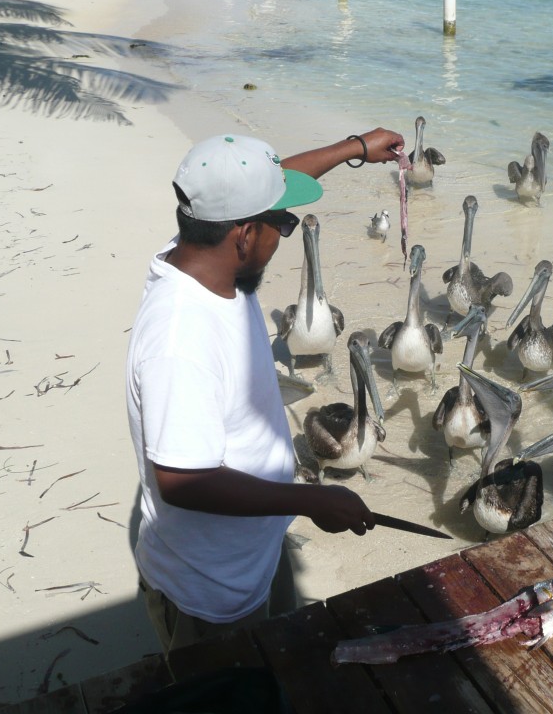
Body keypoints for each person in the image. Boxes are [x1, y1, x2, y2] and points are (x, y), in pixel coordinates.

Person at [126, 129, 404, 654]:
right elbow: (182, 480)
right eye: (283, 225)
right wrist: (313, 499)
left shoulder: (197, 252)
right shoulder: (182, 338)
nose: (285, 236)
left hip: (253, 550)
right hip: (211, 592)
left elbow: (259, 188)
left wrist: (354, 149)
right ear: (245, 234)